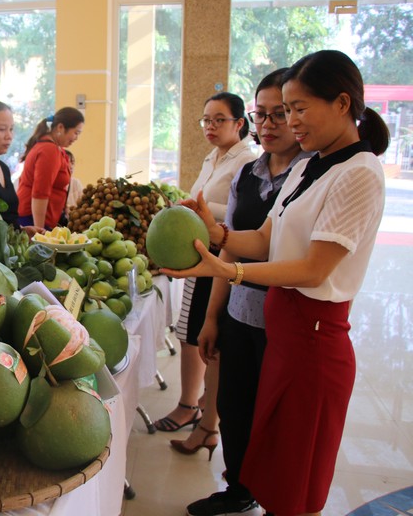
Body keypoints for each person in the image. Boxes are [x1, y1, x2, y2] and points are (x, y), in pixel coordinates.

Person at [162, 49, 389, 516]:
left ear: (343, 104)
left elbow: (312, 268)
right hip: (281, 326)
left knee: (295, 473)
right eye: (285, 111)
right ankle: (241, 491)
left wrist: (229, 271)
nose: (290, 121)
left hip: (313, 336)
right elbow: (266, 237)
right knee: (264, 450)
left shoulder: (360, 172)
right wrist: (215, 233)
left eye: (298, 109)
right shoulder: (308, 166)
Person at [181, 70, 312, 516]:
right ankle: (238, 489)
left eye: (284, 113)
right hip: (240, 310)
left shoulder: (309, 176)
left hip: (283, 318)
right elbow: (229, 247)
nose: (272, 124)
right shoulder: (248, 176)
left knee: (273, 419)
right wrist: (213, 317)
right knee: (235, 408)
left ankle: (273, 496)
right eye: (265, 114)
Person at [155, 92, 255, 434]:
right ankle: (196, 404)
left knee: (201, 334)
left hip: (222, 257)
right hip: (201, 255)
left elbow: (239, 216)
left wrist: (199, 211)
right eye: (206, 120)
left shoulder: (246, 162)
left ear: (239, 124)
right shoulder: (214, 158)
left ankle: (192, 407)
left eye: (219, 120)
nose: (210, 127)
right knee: (189, 332)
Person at [16, 107, 84, 230]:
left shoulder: (55, 148)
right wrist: (39, 232)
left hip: (43, 218)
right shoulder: (49, 150)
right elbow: (40, 193)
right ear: (60, 128)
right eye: (76, 132)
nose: (76, 138)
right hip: (33, 219)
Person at [65, 149, 84, 215]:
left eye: (72, 163)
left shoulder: (76, 183)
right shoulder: (50, 184)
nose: (71, 166)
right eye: (67, 162)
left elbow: (84, 204)